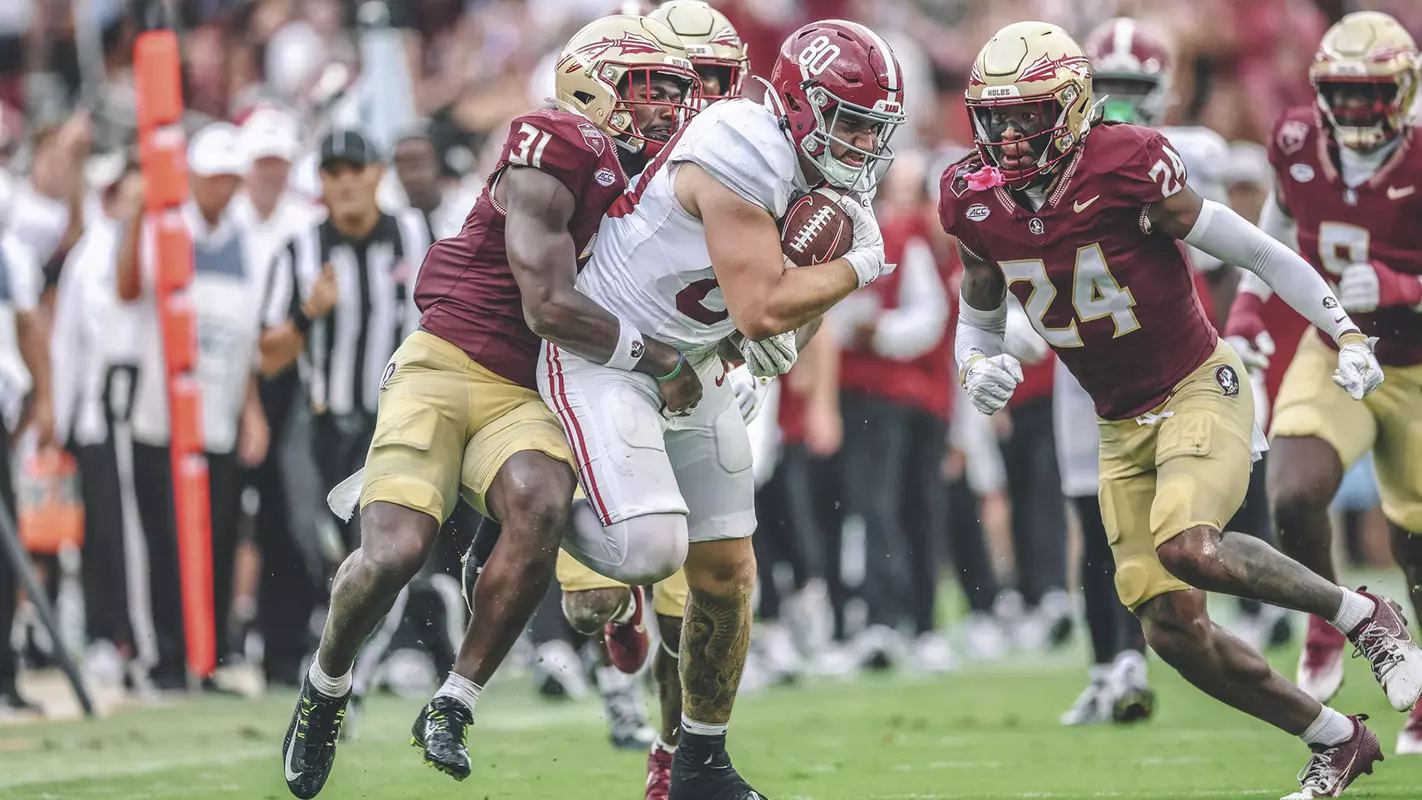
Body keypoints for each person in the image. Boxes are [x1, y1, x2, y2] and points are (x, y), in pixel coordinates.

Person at [941, 21, 1419, 799]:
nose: (1012, 136)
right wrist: (976, 364)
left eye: (1029, 115)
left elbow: (1256, 249)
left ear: (1073, 108)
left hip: (1198, 385)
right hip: (1118, 422)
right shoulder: (971, 198)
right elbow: (980, 314)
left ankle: (1363, 615)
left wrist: (1342, 329)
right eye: (997, 118)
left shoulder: (1126, 164)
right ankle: (1336, 740)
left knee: (1189, 546)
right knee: (1170, 629)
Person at [280, 16, 702, 798]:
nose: (665, 106)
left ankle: (455, 701)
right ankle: (325, 685)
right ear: (594, 87)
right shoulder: (555, 144)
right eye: (649, 88)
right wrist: (663, 360)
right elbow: (546, 305)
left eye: (672, 90)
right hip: (445, 363)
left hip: (526, 389)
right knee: (394, 553)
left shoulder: (651, 174)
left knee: (541, 500)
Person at [533, 19, 898, 800]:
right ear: (799, 105)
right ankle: (521, 510)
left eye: (875, 127)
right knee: (644, 556)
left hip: (693, 363)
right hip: (614, 357)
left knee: (728, 571)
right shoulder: (741, 142)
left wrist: (791, 334)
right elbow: (763, 306)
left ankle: (700, 763)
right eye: (851, 121)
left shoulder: (822, 177)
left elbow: (782, 313)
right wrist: (862, 265)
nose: (864, 143)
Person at [1222, 11, 1422, 755]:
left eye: (1372, 94)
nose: (1357, 109)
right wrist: (1248, 305)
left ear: (1403, 92)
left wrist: (1402, 286)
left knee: (1416, 540)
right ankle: (1330, 615)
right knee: (1294, 492)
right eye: (1343, 92)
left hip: (1418, 363)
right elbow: (1274, 228)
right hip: (1338, 347)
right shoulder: (1297, 140)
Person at [115, 122, 270, 690]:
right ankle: (165, 656)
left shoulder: (247, 242)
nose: (221, 189)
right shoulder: (165, 227)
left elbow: (246, 339)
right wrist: (139, 213)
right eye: (213, 178)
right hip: (160, 417)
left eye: (230, 178)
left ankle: (211, 658)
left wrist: (251, 411)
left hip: (219, 416)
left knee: (219, 539)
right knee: (162, 541)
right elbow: (128, 288)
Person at [0, 230, 53, 713]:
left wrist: (42, 396)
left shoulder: (9, 252)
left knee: (5, 551)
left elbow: (29, 325)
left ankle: (3, 672)